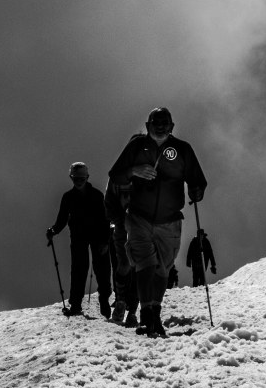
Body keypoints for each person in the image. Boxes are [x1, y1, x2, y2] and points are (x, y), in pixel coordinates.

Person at [107, 108, 207, 338]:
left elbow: (197, 180)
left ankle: (154, 312)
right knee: (145, 263)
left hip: (170, 219)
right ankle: (147, 315)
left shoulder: (183, 149)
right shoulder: (136, 146)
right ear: (147, 124)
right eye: (155, 122)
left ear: (172, 126)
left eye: (164, 123)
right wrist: (134, 170)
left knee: (163, 268)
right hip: (139, 216)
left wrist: (196, 191)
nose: (160, 126)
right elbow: (116, 175)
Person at [46, 162, 112, 318]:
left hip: (88, 237)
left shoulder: (79, 196)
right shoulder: (91, 195)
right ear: (72, 178)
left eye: (80, 178)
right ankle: (81, 304)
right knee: (82, 270)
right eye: (76, 178)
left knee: (94, 270)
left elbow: (104, 220)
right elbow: (61, 220)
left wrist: (105, 240)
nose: (79, 181)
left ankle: (99, 301)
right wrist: (54, 230)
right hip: (82, 237)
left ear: (86, 177)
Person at [104, 148, 139, 327]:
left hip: (140, 226)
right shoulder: (118, 176)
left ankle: (131, 309)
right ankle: (122, 302)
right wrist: (120, 220)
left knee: (137, 266)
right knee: (126, 264)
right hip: (125, 226)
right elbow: (109, 202)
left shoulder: (146, 172)